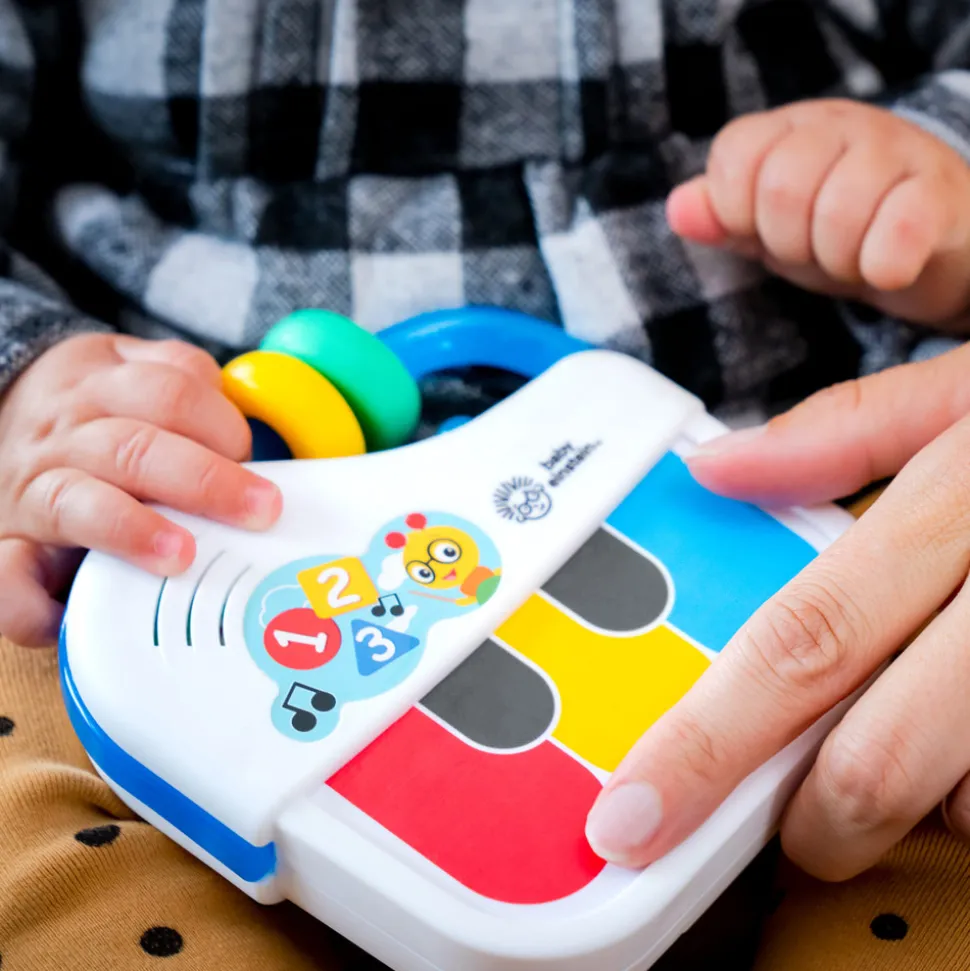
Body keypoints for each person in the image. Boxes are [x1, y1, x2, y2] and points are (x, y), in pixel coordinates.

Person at [1, 1, 970, 968]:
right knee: (40, 847)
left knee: (935, 827)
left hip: (817, 481)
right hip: (182, 564)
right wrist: (29, 377)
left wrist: (938, 168)